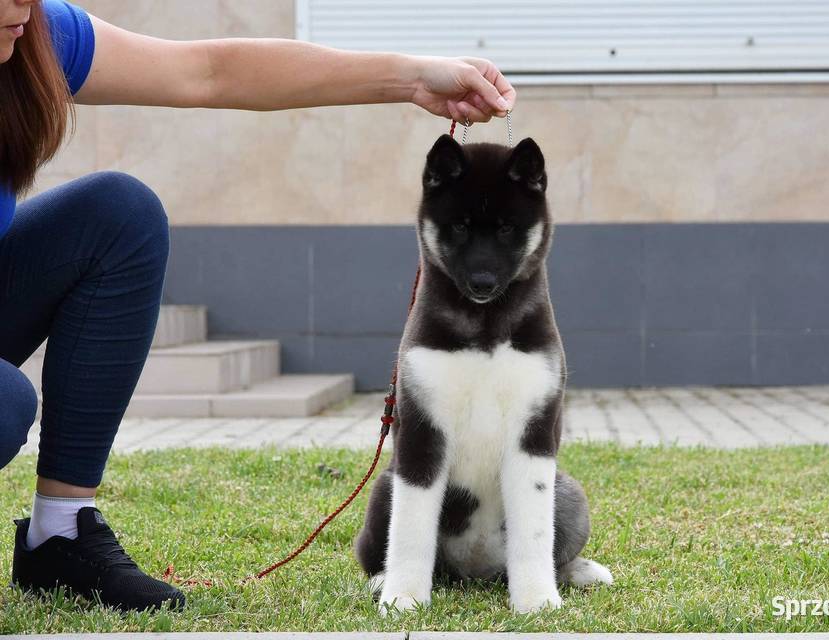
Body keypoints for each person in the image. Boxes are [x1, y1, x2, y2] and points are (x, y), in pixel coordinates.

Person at [0, 0, 516, 612]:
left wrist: (412, 76)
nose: (22, 5)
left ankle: (59, 535)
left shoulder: (35, 34)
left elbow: (210, 71)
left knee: (121, 216)